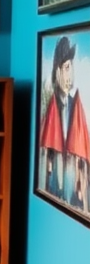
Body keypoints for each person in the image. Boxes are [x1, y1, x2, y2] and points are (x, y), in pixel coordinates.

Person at [39, 34, 90, 211]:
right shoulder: (51, 109)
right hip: (56, 179)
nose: (70, 74)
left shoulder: (76, 105)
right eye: (67, 68)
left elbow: (82, 149)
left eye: (72, 68)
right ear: (58, 71)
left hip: (74, 181)